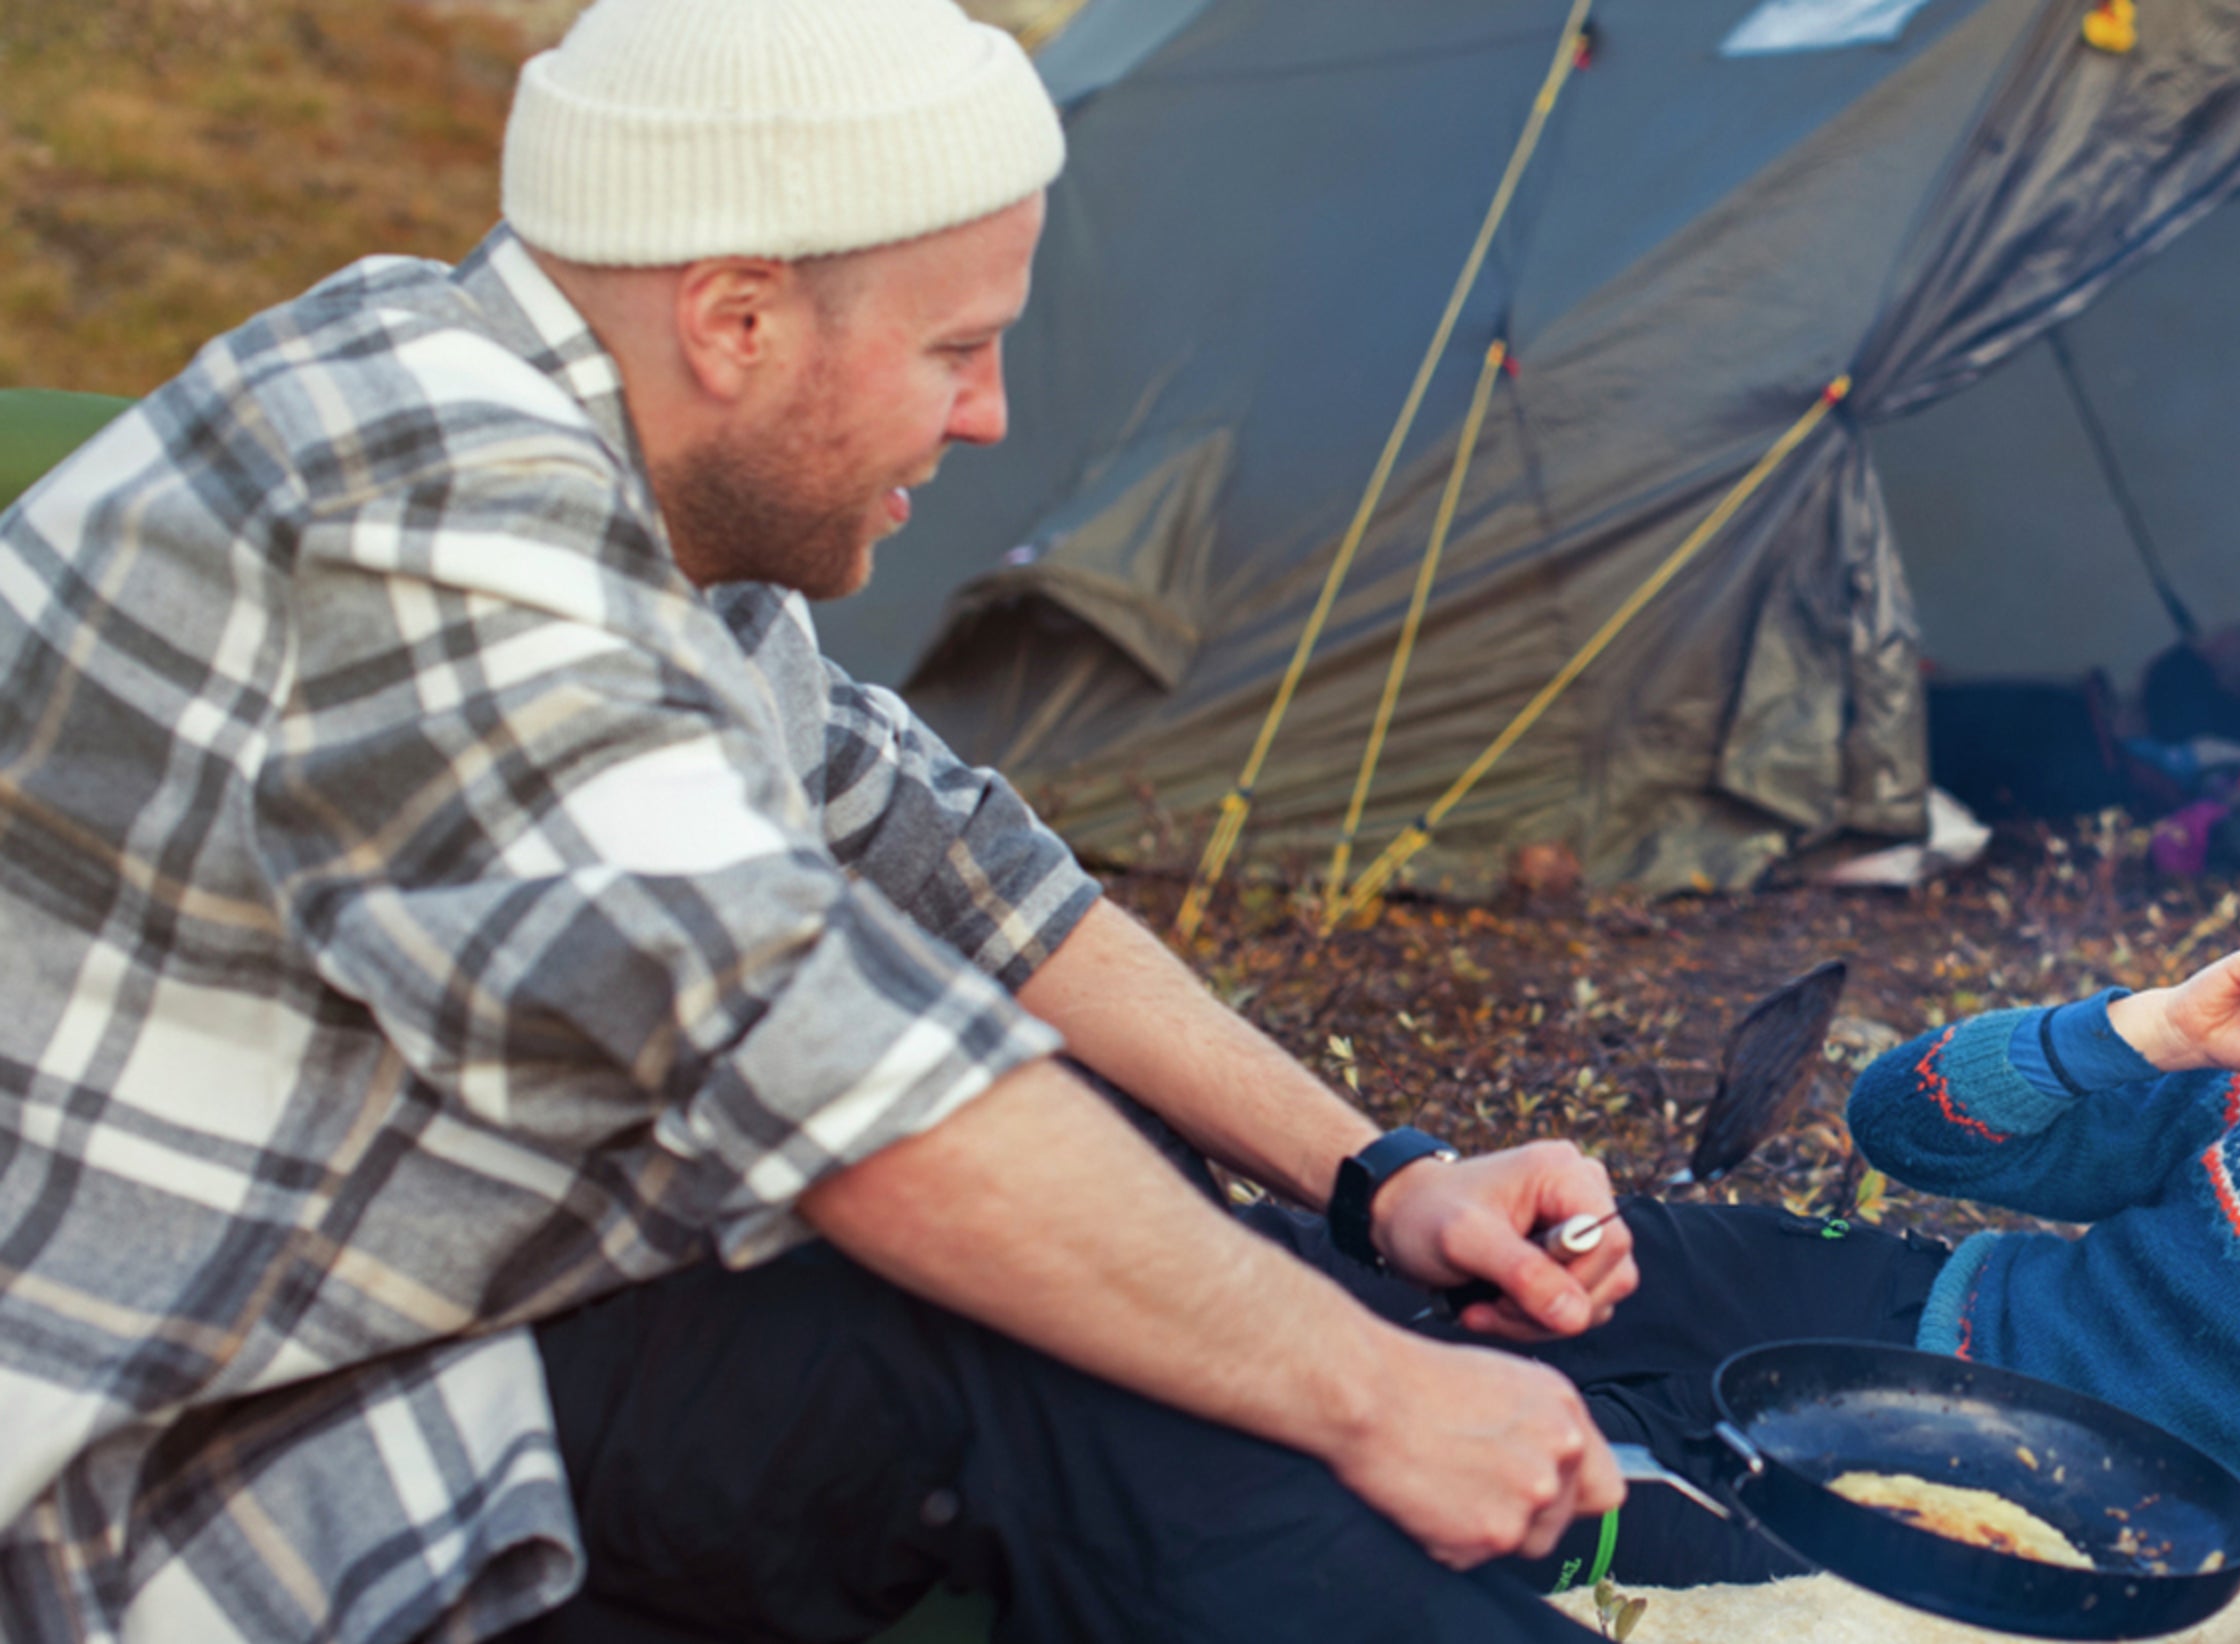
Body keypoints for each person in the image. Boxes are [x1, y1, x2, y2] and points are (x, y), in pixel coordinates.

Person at [0, 1, 1642, 1639]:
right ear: (736, 318)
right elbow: (825, 1050)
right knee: (976, 1345)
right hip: (204, 1445)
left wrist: (1374, 1176)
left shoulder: (600, 459)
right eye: (956, 346)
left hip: (444, 1281)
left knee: (1104, 1204)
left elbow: (938, 854)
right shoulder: (423, 504)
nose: (990, 410)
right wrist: (1372, 1389)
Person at [1493, 843, 2240, 1644]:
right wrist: (2148, 1034)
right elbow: (1902, 1125)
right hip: (1893, 1302)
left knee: (1588, 1492)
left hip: (2000, 1495)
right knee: (1569, 1270)